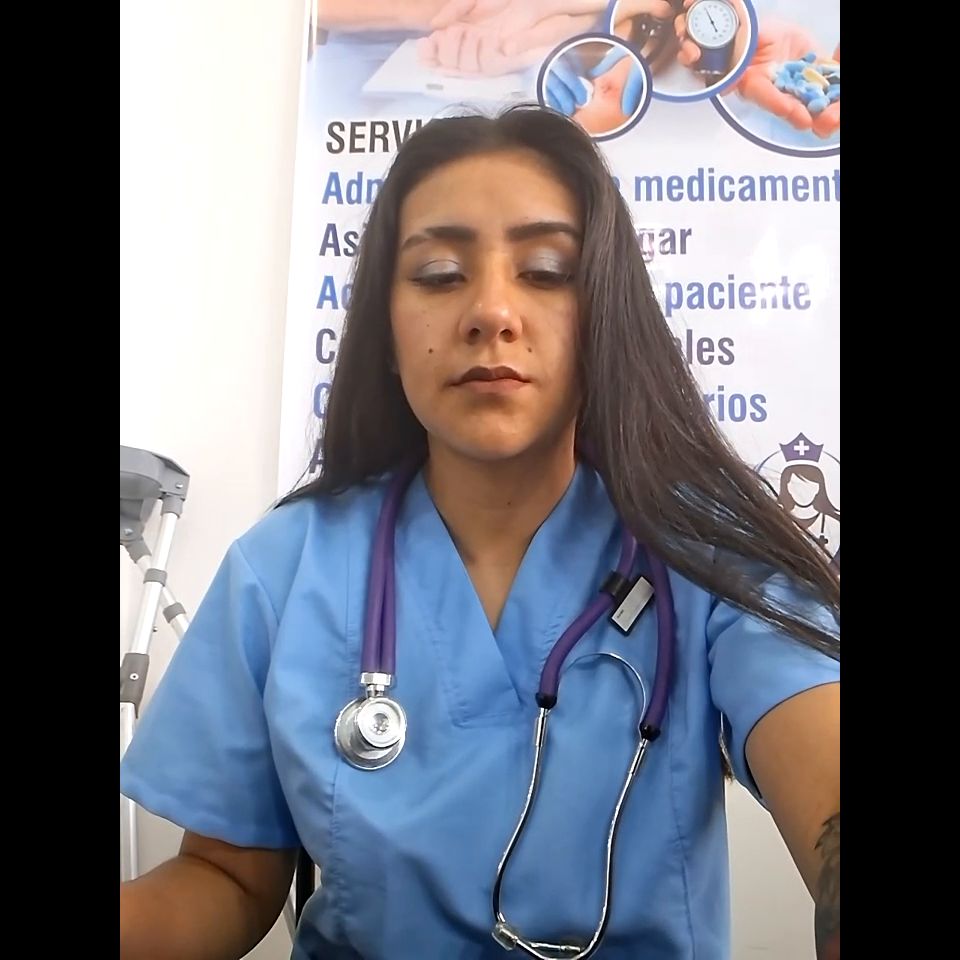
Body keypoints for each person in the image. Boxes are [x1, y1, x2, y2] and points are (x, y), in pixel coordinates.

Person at [119, 103, 840, 960]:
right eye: (438, 275)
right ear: (386, 331)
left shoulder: (705, 556)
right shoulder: (284, 569)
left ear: (604, 315)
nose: (492, 311)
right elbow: (226, 878)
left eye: (546, 270)